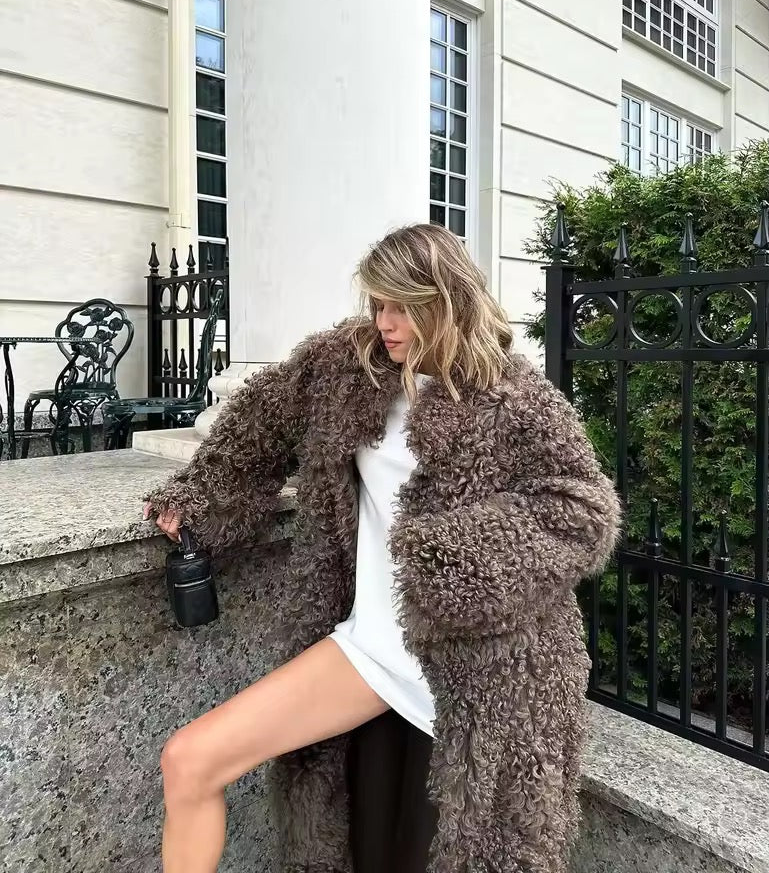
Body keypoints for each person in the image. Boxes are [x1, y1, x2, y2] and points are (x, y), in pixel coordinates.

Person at [143, 223, 622, 873]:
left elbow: (583, 510)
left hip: (483, 667)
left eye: (401, 306)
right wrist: (202, 493)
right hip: (371, 647)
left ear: (445, 300)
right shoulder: (346, 368)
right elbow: (260, 419)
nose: (384, 322)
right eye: (376, 303)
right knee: (190, 760)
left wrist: (452, 557)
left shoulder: (516, 399)